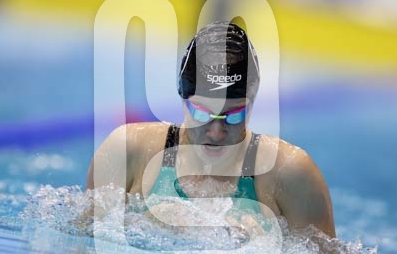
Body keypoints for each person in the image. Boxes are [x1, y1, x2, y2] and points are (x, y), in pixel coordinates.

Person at [86, 22, 335, 240]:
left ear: (252, 103)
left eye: (234, 115)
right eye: (202, 113)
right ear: (183, 98)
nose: (216, 132)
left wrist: (265, 248)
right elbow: (83, 245)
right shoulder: (127, 149)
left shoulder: (291, 174)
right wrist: (146, 223)